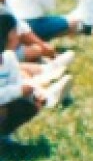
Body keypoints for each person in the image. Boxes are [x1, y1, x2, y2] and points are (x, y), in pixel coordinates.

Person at [0, 13, 73, 151]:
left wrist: (34, 95)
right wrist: (19, 91)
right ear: (7, 35)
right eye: (15, 32)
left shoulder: (8, 58)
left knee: (31, 104)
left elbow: (17, 82)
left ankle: (3, 137)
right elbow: (15, 90)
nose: (18, 37)